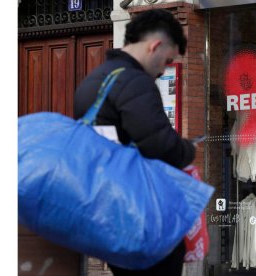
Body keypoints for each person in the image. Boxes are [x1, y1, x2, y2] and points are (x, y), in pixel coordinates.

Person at [73, 9, 196, 276]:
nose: (163, 70)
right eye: (167, 60)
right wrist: (188, 148)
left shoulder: (94, 79)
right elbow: (160, 145)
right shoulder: (135, 82)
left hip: (108, 211)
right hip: (140, 214)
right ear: (156, 45)